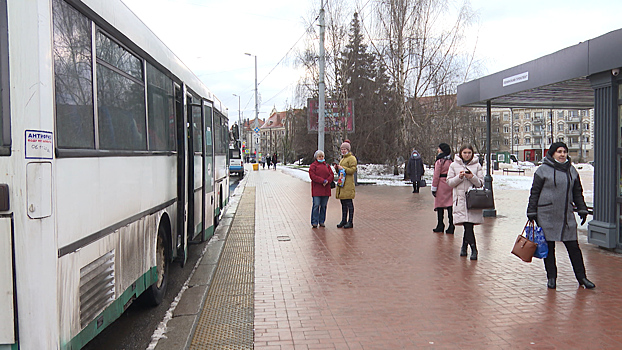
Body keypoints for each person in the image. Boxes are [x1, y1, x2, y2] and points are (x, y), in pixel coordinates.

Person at [527, 142, 594, 289]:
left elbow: (577, 192)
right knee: (549, 249)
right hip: (547, 214)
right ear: (552, 154)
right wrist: (531, 211)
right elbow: (535, 192)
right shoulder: (542, 171)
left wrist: (582, 209)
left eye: (564, 152)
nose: (562, 154)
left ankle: (582, 277)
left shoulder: (572, 171)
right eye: (559, 152)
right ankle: (551, 277)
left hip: (566, 215)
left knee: (574, 248)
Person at [446, 144, 484, 260]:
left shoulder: (477, 165)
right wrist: (460, 177)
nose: (467, 155)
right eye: (465, 153)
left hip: (473, 201)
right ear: (460, 153)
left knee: (469, 225)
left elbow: (480, 183)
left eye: (469, 153)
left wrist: (472, 177)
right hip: (460, 200)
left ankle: (471, 249)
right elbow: (449, 182)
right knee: (467, 225)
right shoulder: (453, 165)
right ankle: (469, 248)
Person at [431, 143, 454, 234]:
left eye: (439, 148)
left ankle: (440, 224)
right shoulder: (451, 161)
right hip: (449, 183)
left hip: (441, 184)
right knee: (449, 205)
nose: (438, 150)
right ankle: (451, 225)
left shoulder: (440, 161)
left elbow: (436, 175)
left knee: (440, 205)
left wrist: (434, 187)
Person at [308, 150, 334, 228]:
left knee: (324, 206)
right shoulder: (313, 166)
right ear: (316, 157)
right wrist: (322, 181)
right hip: (317, 189)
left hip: (326, 189)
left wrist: (328, 181)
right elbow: (312, 176)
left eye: (322, 156)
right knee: (316, 205)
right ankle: (314, 221)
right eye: (319, 156)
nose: (321, 157)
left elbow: (331, 175)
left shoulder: (327, 165)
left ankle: (322, 221)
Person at [335, 142, 357, 228]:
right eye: (342, 149)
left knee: (349, 203)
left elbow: (352, 170)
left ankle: (350, 221)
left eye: (345, 149)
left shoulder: (352, 159)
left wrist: (343, 168)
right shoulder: (342, 159)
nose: (343, 151)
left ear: (348, 150)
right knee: (343, 203)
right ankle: (343, 220)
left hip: (348, 184)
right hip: (342, 183)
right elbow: (341, 172)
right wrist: (337, 169)